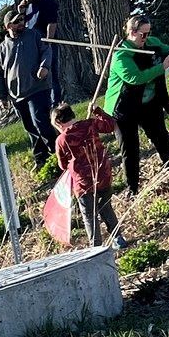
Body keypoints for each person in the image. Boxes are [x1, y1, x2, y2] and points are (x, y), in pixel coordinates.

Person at [101, 13, 169, 195]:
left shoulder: (152, 43)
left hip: (149, 102)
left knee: (162, 139)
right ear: (132, 32)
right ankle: (132, 188)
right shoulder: (121, 56)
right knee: (130, 149)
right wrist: (163, 66)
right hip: (124, 107)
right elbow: (135, 78)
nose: (146, 38)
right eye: (142, 35)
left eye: (148, 33)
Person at [0, 7, 56, 169]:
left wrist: (44, 67)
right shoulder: (2, 48)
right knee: (30, 128)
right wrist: (1, 97)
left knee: (41, 122)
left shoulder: (33, 35)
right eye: (17, 21)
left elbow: (46, 50)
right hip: (17, 95)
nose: (22, 23)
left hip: (37, 88)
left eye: (22, 20)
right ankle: (41, 159)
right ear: (8, 27)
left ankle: (56, 153)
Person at [53, 102, 122, 248]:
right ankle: (118, 238)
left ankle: (96, 246)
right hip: (103, 174)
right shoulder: (90, 125)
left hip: (83, 183)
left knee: (89, 215)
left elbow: (62, 165)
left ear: (59, 123)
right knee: (105, 206)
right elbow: (110, 125)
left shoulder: (61, 140)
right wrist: (98, 111)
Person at [18, 0, 61, 103]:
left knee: (51, 73)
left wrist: (48, 41)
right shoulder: (26, 6)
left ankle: (55, 103)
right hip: (32, 45)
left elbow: (52, 23)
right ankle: (43, 103)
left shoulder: (46, 2)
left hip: (45, 42)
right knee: (36, 74)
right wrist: (21, 11)